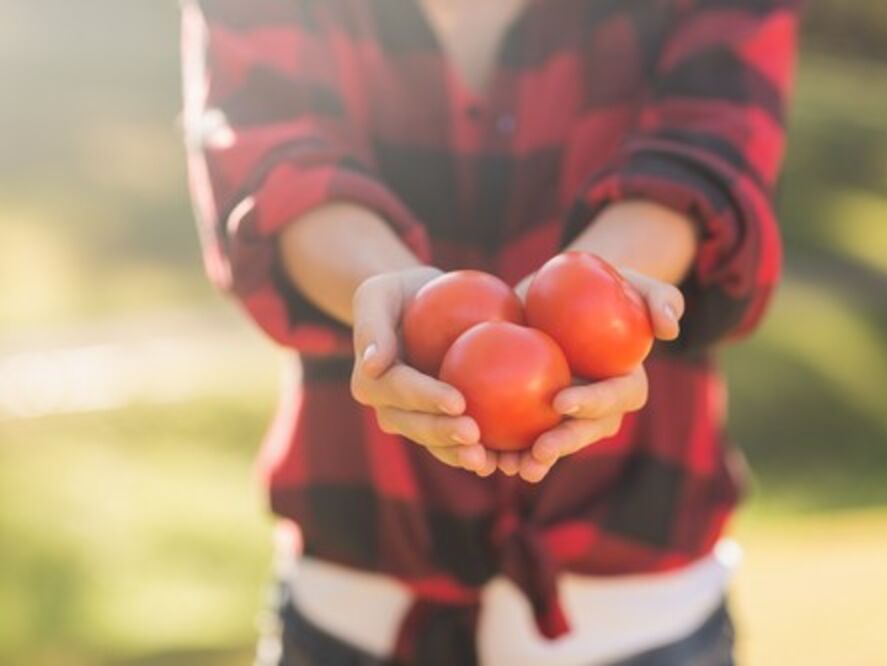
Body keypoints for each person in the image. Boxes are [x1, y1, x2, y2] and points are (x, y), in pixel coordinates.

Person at [181, 0, 800, 664]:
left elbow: (705, 154)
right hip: (355, 610)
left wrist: (602, 299)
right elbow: (276, 168)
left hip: (640, 614)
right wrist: (395, 300)